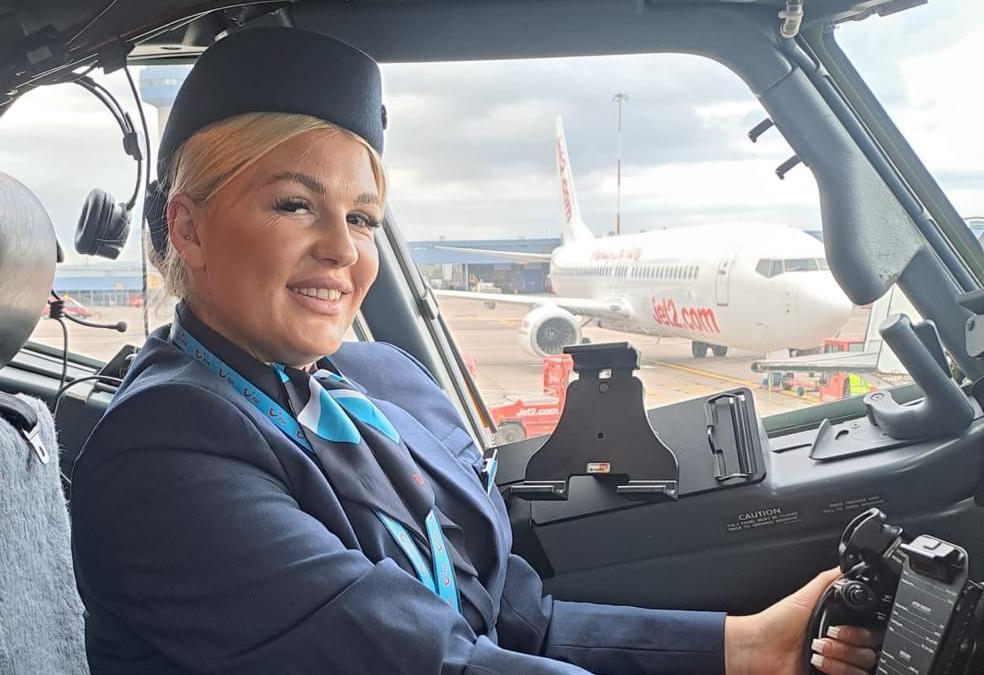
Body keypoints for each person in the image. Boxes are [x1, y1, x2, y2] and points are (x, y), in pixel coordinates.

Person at [70, 26, 880, 675]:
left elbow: (511, 616)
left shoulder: (376, 382)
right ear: (188, 228)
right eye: (293, 204)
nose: (342, 251)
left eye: (360, 218)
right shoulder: (162, 456)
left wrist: (749, 646)